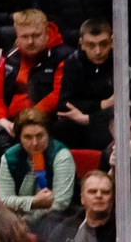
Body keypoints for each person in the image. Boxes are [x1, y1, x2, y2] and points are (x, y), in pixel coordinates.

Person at [48, 14, 117, 151]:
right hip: (80, 122)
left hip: (108, 122)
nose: (98, 51)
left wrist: (87, 118)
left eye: (103, 44)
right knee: (59, 129)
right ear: (82, 44)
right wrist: (101, 104)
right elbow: (65, 102)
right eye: (91, 45)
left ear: (112, 42)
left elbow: (130, 103)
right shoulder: (72, 63)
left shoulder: (123, 63)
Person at [0, 109, 73, 227]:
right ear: (19, 138)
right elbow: (4, 200)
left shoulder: (61, 156)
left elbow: (61, 202)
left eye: (40, 136)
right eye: (28, 137)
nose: (35, 143)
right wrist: (33, 202)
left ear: (48, 134)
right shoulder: (9, 157)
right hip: (16, 219)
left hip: (54, 219)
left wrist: (28, 221)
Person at [46, 167, 120, 242]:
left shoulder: (124, 233)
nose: (99, 195)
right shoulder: (64, 230)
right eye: (92, 192)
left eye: (105, 192)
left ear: (112, 199)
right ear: (82, 199)